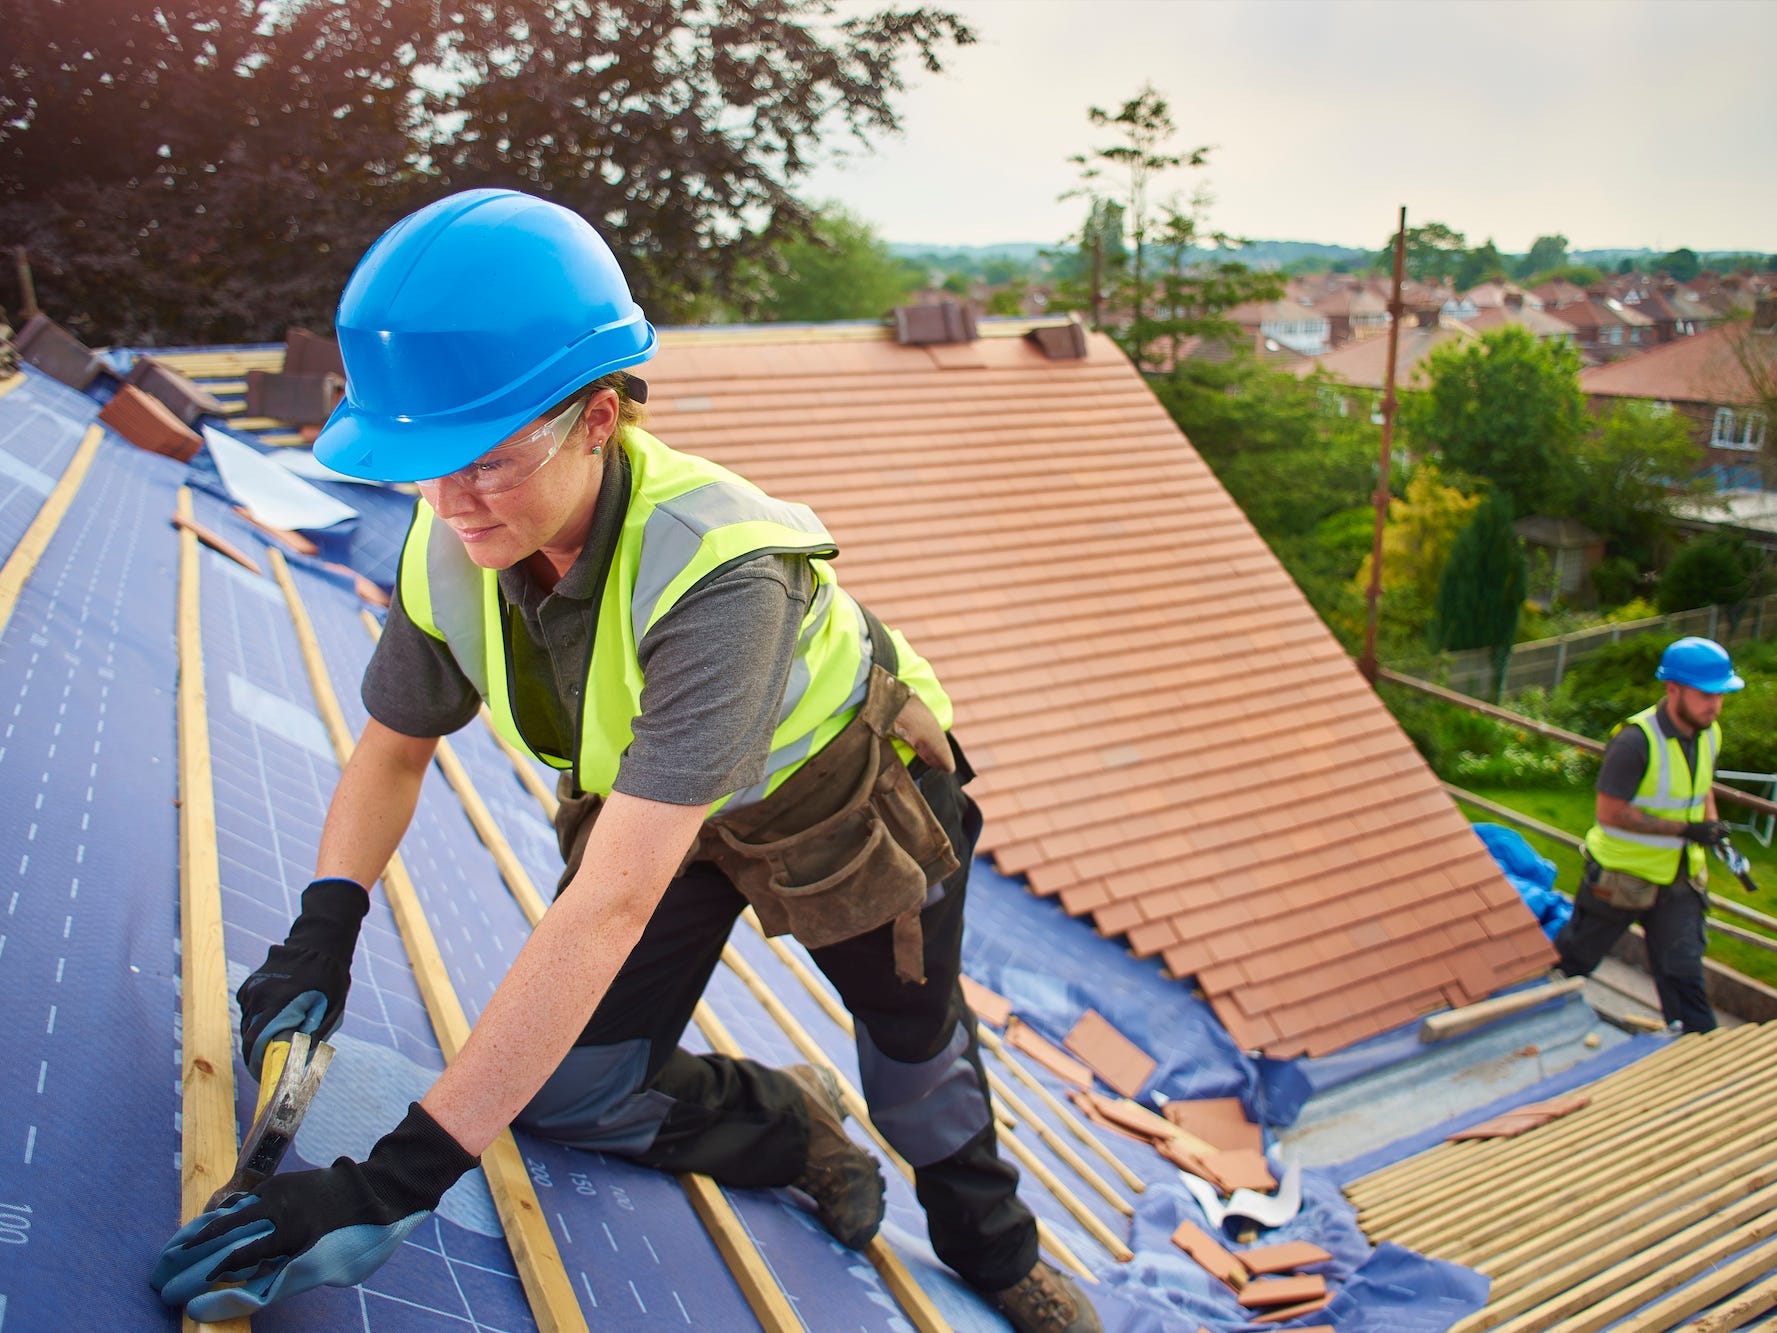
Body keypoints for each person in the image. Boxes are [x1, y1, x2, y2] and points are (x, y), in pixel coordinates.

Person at [150, 188, 1099, 1333]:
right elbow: (393, 752)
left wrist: (391, 1183)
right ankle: (790, 1125)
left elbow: (609, 904)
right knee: (565, 1090)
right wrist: (325, 925)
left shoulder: (719, 576)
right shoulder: (455, 535)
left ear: (599, 418)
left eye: (488, 462)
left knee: (915, 1075)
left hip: (838, 802)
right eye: (426, 466)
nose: (451, 504)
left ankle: (991, 1251)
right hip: (662, 806)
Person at [1554, 635, 1742, 1033]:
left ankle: (1700, 1054)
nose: (1715, 704)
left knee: (1684, 975)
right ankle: (1530, 1021)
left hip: (1677, 880)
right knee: (1574, 961)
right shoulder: (1634, 742)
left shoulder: (1710, 732)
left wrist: (1713, 829)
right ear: (1673, 689)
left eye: (1721, 694)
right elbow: (1610, 813)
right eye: (1706, 694)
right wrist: (1687, 829)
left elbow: (1701, 783)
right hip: (1621, 878)